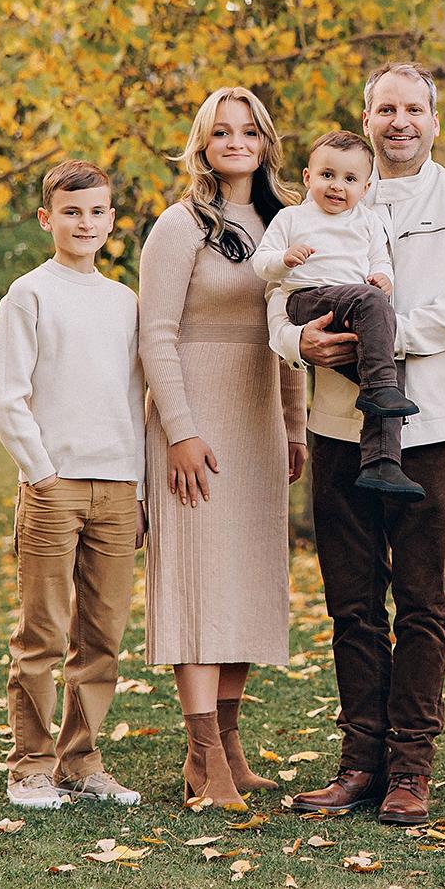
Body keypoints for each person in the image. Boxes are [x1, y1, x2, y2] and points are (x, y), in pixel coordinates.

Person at [270, 62, 445, 826]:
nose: (398, 121)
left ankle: (411, 765)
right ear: (365, 119)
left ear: (435, 121)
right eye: (384, 109)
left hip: (431, 429)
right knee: (350, 604)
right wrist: (302, 343)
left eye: (412, 108)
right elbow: (274, 300)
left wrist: (382, 335)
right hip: (338, 429)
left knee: (422, 602)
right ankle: (359, 762)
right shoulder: (326, 196)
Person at [138, 88, 310, 811]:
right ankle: (202, 754)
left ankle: (230, 746)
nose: (236, 141)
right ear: (203, 143)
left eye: (249, 130)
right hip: (195, 419)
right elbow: (156, 334)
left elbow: (293, 327)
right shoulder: (180, 226)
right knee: (200, 580)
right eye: (221, 131)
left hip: (258, 415)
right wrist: (179, 430)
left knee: (242, 578)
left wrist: (295, 424)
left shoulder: (286, 224)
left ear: (266, 142)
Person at [0, 159, 147, 810]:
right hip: (53, 486)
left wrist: (134, 489)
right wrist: (40, 470)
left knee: (102, 635)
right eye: (71, 211)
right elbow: (3, 391)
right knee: (42, 633)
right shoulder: (30, 293)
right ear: (48, 218)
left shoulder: (123, 300)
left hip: (115, 489)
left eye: (96, 211)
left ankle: (81, 758)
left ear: (111, 220)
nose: (85, 222)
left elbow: (135, 399)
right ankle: (30, 766)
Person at [254, 130, 422, 499]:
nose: (337, 186)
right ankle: (380, 393)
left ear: (366, 186)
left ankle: (381, 463)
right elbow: (261, 265)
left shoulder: (367, 222)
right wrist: (284, 260)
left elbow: (380, 260)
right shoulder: (291, 218)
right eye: (327, 175)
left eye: (350, 179)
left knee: (386, 377)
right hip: (307, 300)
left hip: (353, 307)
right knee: (376, 340)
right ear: (307, 177)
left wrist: (384, 278)